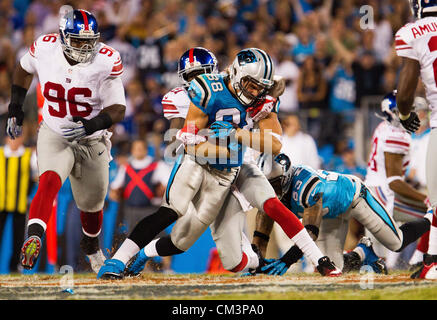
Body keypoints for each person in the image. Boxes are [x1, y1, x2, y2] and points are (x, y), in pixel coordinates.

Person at [98, 48, 340, 279]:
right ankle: (123, 259)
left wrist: (236, 134)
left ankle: (313, 260)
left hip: (238, 165)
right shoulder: (199, 93)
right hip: (200, 161)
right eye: (192, 77)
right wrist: (212, 144)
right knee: (176, 223)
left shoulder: (259, 93)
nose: (197, 80)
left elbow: (275, 143)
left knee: (264, 214)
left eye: (202, 73)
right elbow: (180, 141)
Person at [6, 8, 126, 272]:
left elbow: (118, 108)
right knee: (48, 180)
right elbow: (23, 69)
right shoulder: (45, 49)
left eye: (89, 41)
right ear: (62, 37)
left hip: (92, 138)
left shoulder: (106, 60)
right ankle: (35, 235)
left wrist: (91, 126)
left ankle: (92, 248)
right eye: (78, 41)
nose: (85, 47)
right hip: (54, 131)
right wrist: (15, 107)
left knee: (92, 204)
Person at [249, 152, 431, 275]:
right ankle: (362, 253)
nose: (269, 189)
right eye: (265, 183)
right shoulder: (272, 192)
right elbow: (261, 232)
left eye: (273, 183)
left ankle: (432, 216)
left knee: (396, 242)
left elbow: (310, 232)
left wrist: (286, 261)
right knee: (334, 268)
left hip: (354, 197)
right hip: (328, 213)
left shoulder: (306, 186)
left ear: (286, 177)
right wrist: (255, 264)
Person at [394, 0, 437, 279]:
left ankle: (432, 261)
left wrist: (403, 112)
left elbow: (407, 89)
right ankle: (429, 259)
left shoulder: (413, 31)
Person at [363, 91, 429, 268]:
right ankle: (419, 260)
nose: (414, 114)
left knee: (377, 248)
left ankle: (416, 259)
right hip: (384, 193)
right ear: (394, 112)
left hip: (372, 188)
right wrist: (426, 198)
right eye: (409, 110)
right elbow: (394, 181)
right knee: (432, 212)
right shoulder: (396, 134)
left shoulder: (383, 127)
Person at [109, 139, 172, 272]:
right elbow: (115, 187)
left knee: (160, 237)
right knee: (136, 240)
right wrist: (114, 193)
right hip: (131, 210)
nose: (138, 151)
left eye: (140, 148)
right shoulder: (126, 167)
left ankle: (167, 267)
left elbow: (168, 183)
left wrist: (161, 192)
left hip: (151, 209)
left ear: (145, 149)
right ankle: (145, 268)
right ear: (132, 151)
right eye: (135, 148)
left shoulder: (157, 165)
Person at [0, 135, 37, 272]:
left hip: (20, 203)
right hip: (1, 203)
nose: (14, 141)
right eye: (11, 138)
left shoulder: (29, 155)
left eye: (17, 138)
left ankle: (15, 266)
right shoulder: (1, 154)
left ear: (21, 139)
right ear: (6, 140)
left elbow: (36, 176)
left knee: (18, 238)